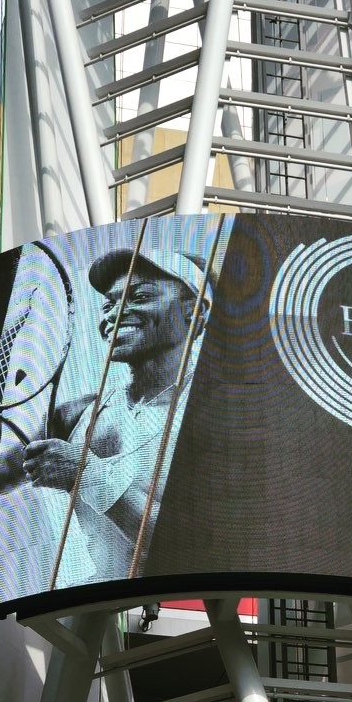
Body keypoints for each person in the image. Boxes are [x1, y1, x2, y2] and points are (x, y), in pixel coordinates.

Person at [21, 247, 209, 587]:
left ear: (193, 314)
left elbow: (195, 552)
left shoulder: (218, 418)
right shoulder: (77, 414)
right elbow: (0, 473)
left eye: (140, 296)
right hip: (82, 601)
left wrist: (86, 473)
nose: (116, 313)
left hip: (167, 609)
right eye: (109, 304)